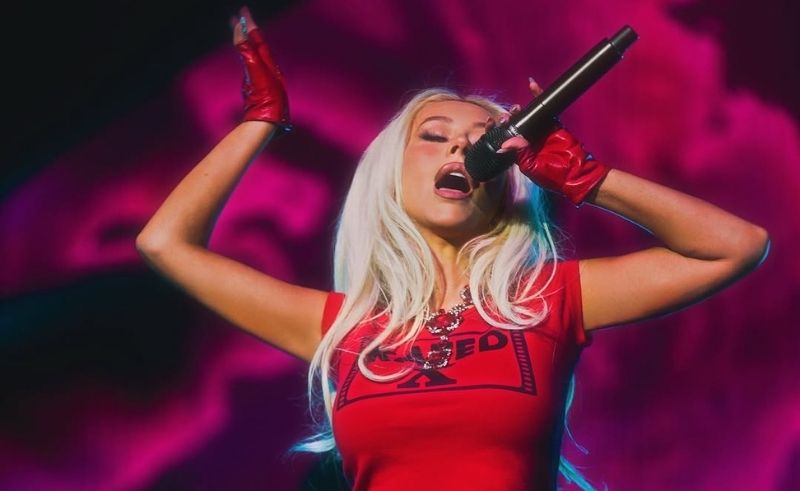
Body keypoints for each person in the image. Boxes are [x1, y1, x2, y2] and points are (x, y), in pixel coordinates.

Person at [136, 7, 771, 491]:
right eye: (434, 136)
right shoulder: (341, 327)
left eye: (481, 139)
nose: (461, 148)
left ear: (504, 182)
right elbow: (165, 243)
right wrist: (261, 118)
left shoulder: (548, 299)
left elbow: (734, 246)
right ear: (390, 172)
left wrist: (589, 179)